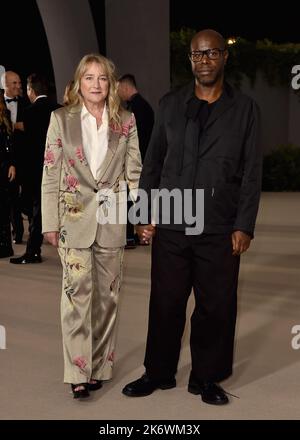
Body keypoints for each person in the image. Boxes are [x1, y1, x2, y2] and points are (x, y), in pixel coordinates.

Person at [122, 29, 262, 405]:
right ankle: (158, 372)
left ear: (224, 57)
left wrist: (244, 224)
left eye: (212, 53)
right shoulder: (170, 104)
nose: (204, 61)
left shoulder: (245, 109)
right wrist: (141, 214)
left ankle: (207, 378)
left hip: (219, 223)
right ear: (190, 60)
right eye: (197, 55)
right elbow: (152, 164)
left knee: (215, 305)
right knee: (165, 302)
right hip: (172, 218)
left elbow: (252, 172)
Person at [41, 54, 142, 399]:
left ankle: (99, 365)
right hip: (73, 221)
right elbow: (50, 174)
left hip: (112, 219)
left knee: (107, 300)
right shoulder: (60, 119)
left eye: (102, 78)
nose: (96, 84)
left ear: (110, 84)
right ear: (78, 83)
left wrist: (143, 215)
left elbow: (135, 174)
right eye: (89, 78)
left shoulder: (126, 121)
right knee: (76, 298)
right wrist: (49, 223)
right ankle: (78, 371)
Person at [10, 73, 60, 264]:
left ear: (31, 90)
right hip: (58, 167)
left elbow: (27, 144)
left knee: (36, 209)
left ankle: (33, 251)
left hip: (36, 169)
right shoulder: (59, 109)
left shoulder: (29, 112)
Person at [117, 74, 154, 248]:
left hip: (138, 161)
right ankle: (138, 235)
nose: (117, 93)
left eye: (118, 89)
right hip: (143, 159)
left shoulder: (135, 109)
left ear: (125, 87)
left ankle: (133, 236)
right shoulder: (143, 106)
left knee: (133, 198)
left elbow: (135, 139)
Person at [1, 71, 27, 244]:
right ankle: (12, 233)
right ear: (5, 85)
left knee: (22, 197)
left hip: (23, 156)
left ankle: (21, 232)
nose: (18, 86)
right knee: (8, 197)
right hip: (4, 158)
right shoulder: (0, 103)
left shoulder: (26, 103)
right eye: (14, 83)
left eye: (19, 82)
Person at [0, 93, 16, 257]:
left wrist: (12, 163)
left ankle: (5, 246)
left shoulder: (5, 115)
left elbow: (10, 141)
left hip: (3, 165)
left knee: (3, 206)